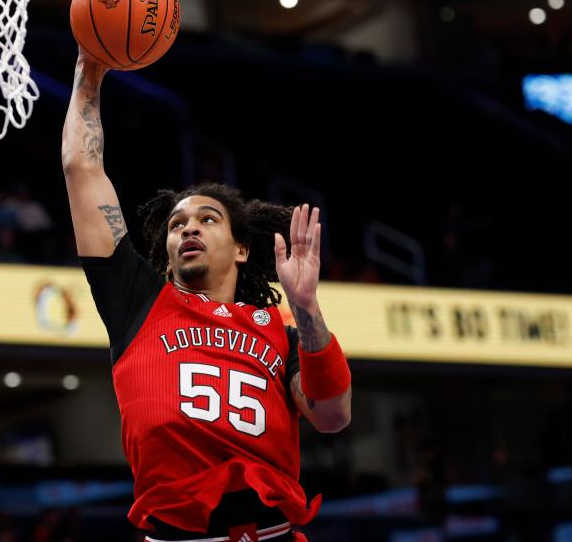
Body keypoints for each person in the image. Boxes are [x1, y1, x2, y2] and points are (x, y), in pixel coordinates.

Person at [61, 51, 353, 542]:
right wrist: (89, 74)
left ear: (241, 248)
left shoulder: (280, 331)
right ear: (168, 250)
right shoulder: (138, 303)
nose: (189, 227)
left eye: (207, 219)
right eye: (177, 225)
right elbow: (80, 167)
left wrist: (307, 309)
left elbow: (333, 415)